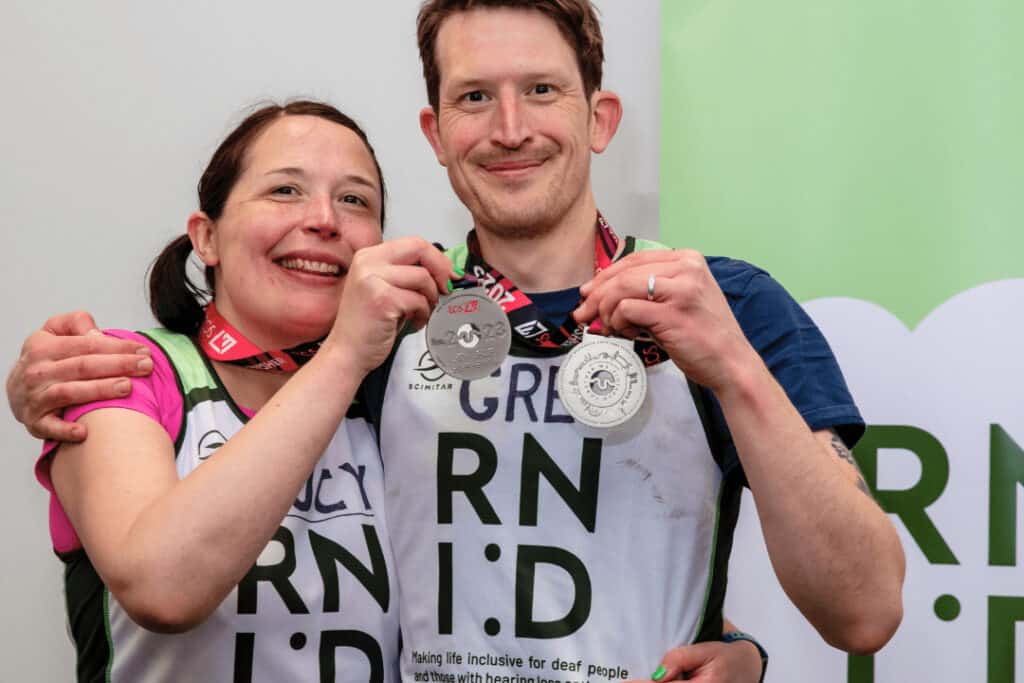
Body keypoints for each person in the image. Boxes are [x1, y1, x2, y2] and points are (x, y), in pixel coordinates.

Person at [7, 1, 905, 681]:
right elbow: (230, 409)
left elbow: (865, 611)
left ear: (601, 118)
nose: (510, 129)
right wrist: (48, 377)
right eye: (475, 97)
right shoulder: (382, 308)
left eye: (542, 91)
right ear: (437, 132)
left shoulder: (722, 300)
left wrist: (737, 371)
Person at [28, 99, 458, 682]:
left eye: (354, 199)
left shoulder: (399, 395)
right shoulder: (121, 370)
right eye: (285, 190)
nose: (325, 220)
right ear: (206, 238)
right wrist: (346, 352)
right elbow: (163, 589)